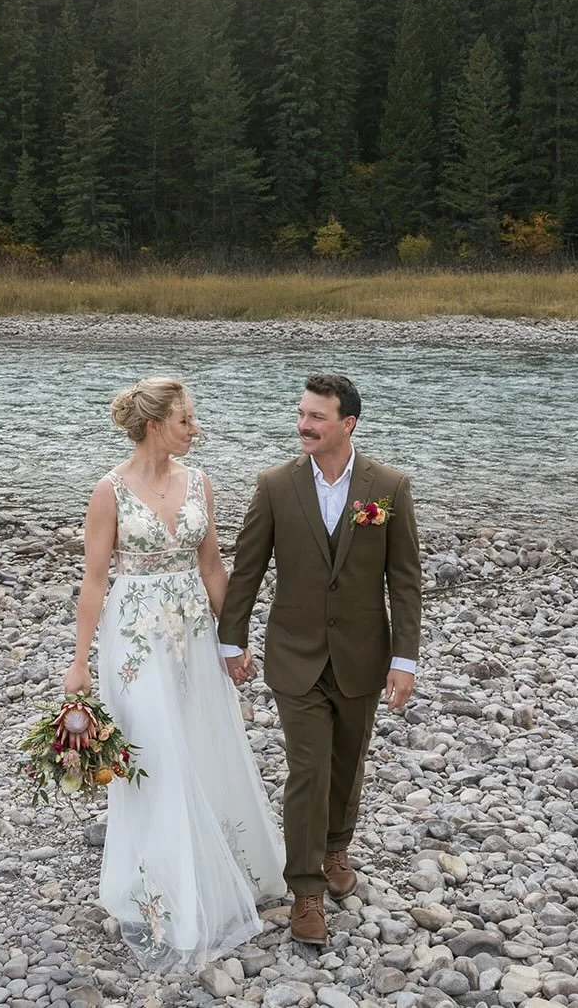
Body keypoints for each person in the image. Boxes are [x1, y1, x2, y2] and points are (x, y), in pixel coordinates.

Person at [62, 377, 284, 973]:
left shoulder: (201, 483)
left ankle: (218, 866)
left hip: (192, 634)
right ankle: (163, 889)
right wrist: (79, 662)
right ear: (157, 424)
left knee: (201, 740)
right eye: (187, 420)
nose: (196, 429)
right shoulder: (108, 491)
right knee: (153, 752)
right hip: (134, 640)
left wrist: (233, 641)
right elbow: (94, 580)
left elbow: (213, 566)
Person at [218, 373, 422, 946]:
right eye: (302, 414)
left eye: (317, 417)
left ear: (347, 424)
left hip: (363, 655)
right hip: (295, 656)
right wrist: (231, 640)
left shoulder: (389, 487)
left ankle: (336, 847)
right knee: (308, 769)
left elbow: (405, 583)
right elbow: (249, 568)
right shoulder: (275, 486)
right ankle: (305, 891)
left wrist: (404, 659)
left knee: (348, 761)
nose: (304, 425)